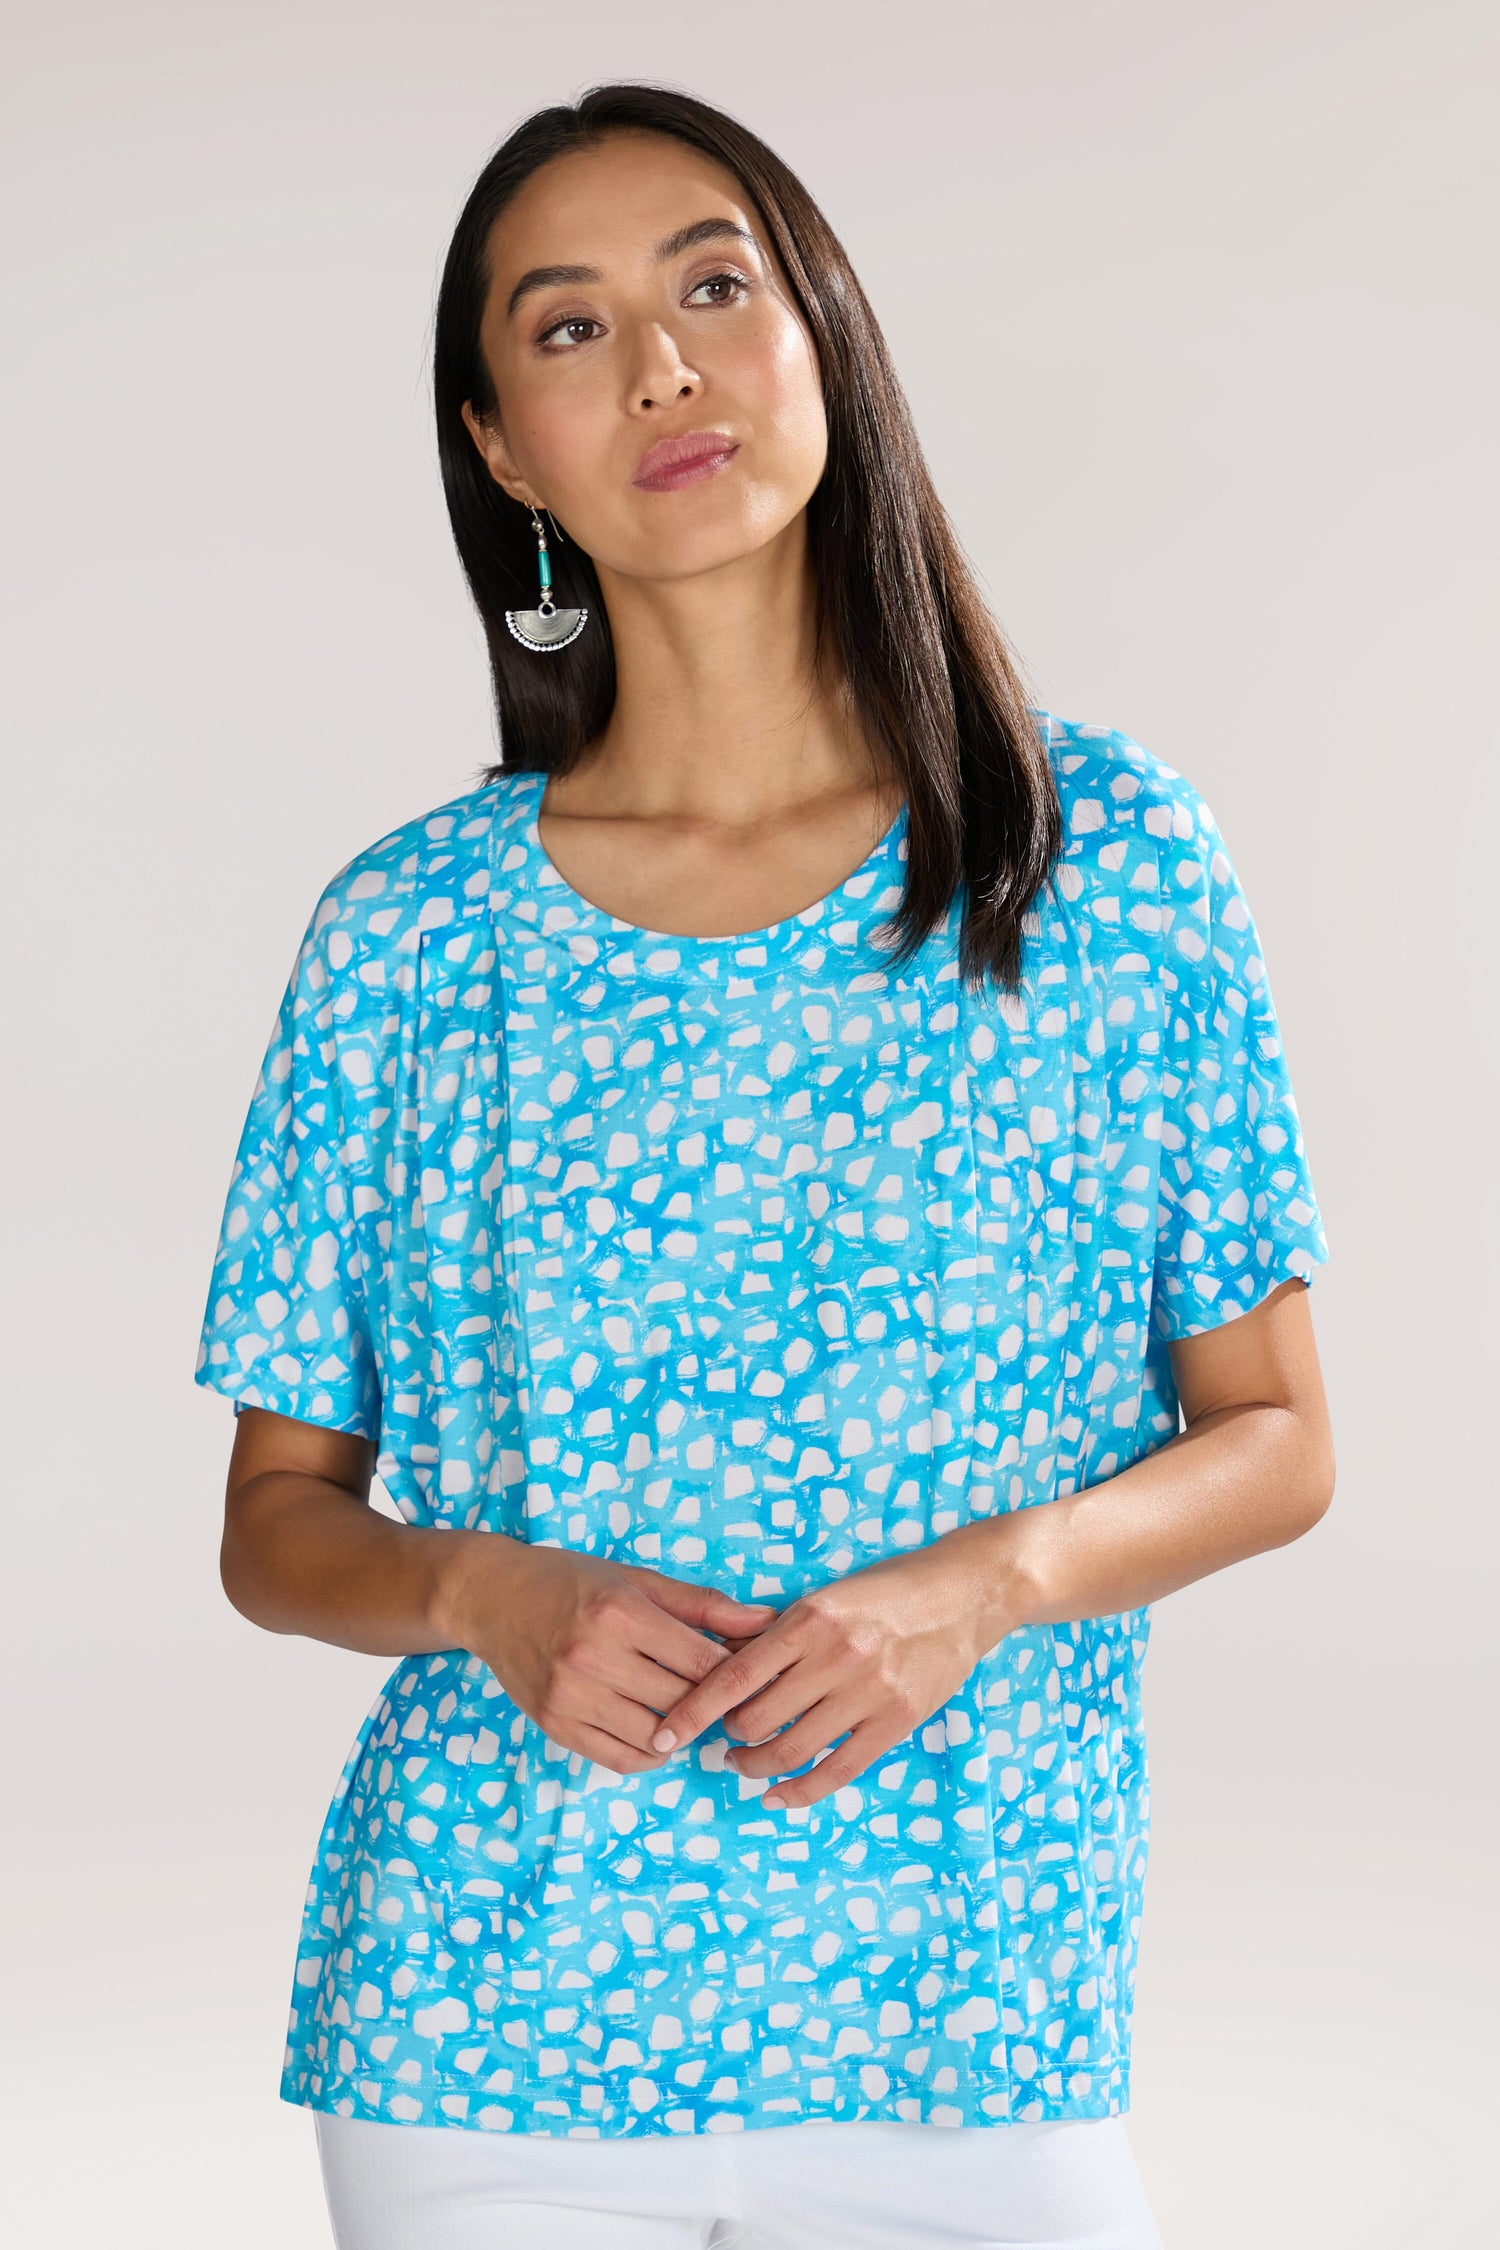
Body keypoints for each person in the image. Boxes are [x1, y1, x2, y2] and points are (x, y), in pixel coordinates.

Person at [193, 83, 1334, 2250]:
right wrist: (478, 1592)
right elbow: (273, 1524)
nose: (662, 364)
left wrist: (988, 1581)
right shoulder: (414, 937)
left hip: (966, 2008)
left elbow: (1276, 1441)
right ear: (502, 453)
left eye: (715, 285)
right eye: (568, 327)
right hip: (483, 2022)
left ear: (826, 336)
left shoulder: (1101, 865)